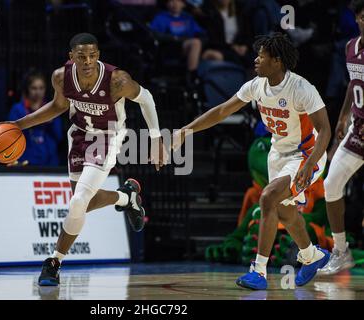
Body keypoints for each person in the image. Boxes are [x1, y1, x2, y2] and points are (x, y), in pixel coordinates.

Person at [3, 33, 167, 286]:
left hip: (108, 136)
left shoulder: (117, 80)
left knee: (79, 201)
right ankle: (127, 197)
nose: (88, 61)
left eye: (92, 55)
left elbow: (146, 98)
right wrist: (18, 125)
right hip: (79, 135)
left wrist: (156, 140)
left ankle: (54, 262)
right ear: (72, 57)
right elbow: (58, 107)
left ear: (98, 55)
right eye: (82, 56)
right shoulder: (61, 77)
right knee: (81, 204)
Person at [173, 33, 331, 290]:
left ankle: (258, 271)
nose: (256, 59)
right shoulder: (257, 86)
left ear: (277, 60)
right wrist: (186, 130)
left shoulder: (302, 88)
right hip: (277, 153)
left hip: (305, 154)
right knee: (284, 211)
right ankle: (312, 256)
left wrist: (308, 163)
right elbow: (223, 110)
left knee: (268, 198)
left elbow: (324, 129)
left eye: (261, 56)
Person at [318, 0, 364, 276]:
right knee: (331, 184)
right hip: (358, 128)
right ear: (357, 19)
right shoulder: (350, 48)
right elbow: (353, 82)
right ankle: (340, 250)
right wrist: (344, 115)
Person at [149, 0, 223, 84]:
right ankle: (192, 77)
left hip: (192, 49)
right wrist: (176, 38)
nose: (175, 4)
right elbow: (153, 34)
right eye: (171, 1)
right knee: (195, 43)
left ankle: (214, 84)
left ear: (183, 4)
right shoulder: (161, 17)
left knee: (216, 55)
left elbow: (200, 33)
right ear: (167, 3)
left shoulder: (187, 17)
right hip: (173, 49)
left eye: (178, 1)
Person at [8, 69, 63, 166]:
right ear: (27, 89)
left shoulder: (51, 109)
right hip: (25, 163)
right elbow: (11, 137)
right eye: (34, 88)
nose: (38, 92)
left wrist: (50, 122)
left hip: (50, 164)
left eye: (41, 88)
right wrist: (34, 118)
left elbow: (59, 136)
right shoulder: (18, 109)